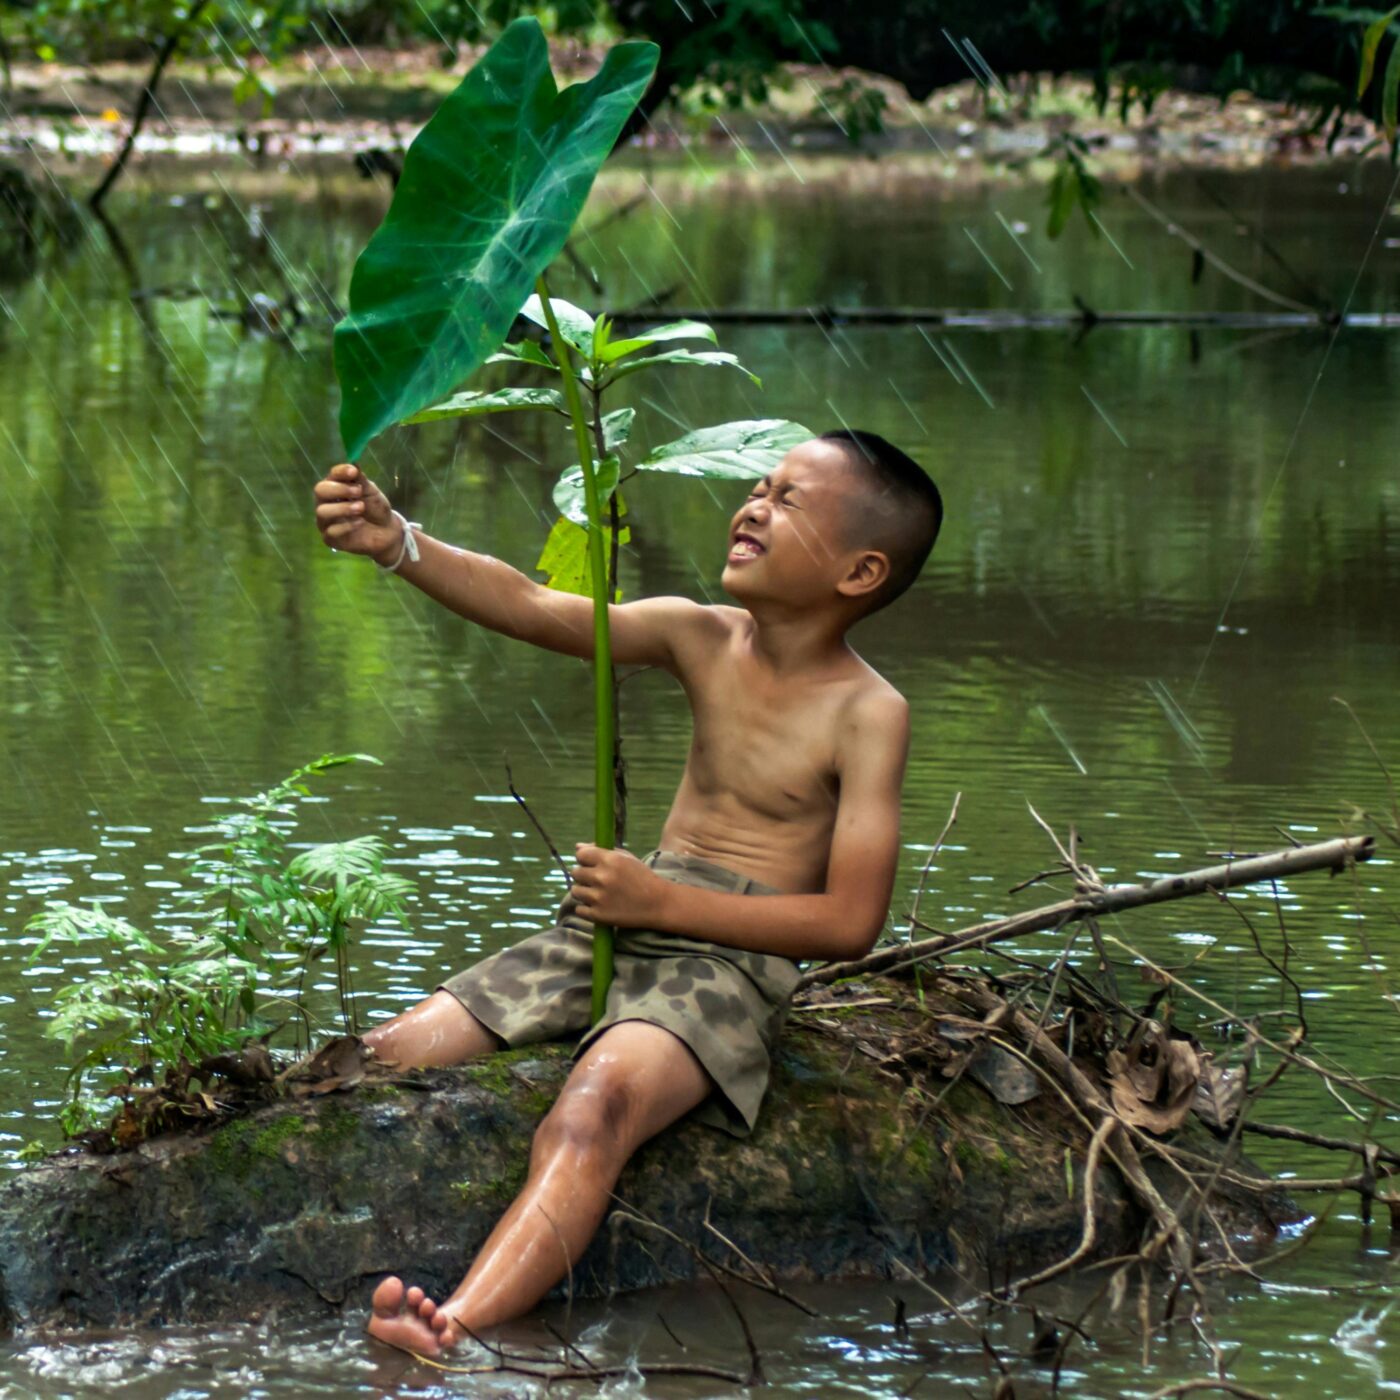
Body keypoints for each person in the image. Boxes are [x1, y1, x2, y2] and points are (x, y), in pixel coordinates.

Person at [311, 429, 943, 1357]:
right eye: (758, 486)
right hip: (615, 923)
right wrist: (399, 542)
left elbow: (848, 923)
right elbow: (532, 603)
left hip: (725, 961)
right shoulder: (701, 634)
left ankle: (460, 1326)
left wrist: (663, 906)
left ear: (860, 572)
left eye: (790, 500)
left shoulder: (868, 712)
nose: (754, 505)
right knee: (389, 1053)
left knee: (590, 1109)